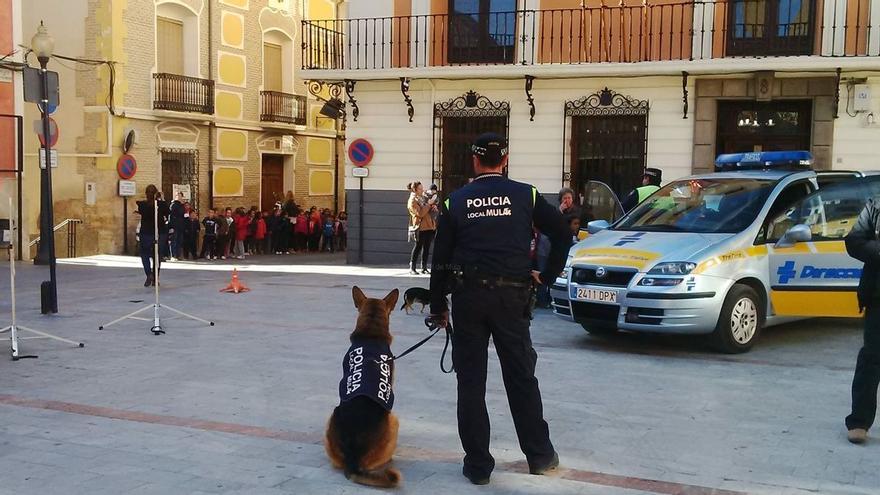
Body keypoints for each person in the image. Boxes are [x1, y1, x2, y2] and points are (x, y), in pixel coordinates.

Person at [428, 133, 570, 485]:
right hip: (512, 299)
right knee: (521, 377)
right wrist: (548, 275)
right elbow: (563, 233)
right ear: (504, 160)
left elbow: (441, 260)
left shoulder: (455, 202)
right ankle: (539, 456)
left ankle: (478, 467)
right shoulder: (527, 195)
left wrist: (437, 305)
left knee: (471, 383)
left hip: (469, 299)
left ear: (475, 162)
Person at [844, 199, 880, 444]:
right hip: (878, 294)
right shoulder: (876, 205)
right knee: (871, 358)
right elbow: (854, 241)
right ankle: (859, 422)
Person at [135, 185, 170, 287]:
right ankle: (155, 278)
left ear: (146, 194)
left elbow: (141, 210)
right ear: (156, 193)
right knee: (157, 256)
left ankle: (149, 274)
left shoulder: (142, 205)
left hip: (146, 233)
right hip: (160, 232)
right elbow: (168, 213)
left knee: (144, 254)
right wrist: (161, 199)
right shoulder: (162, 204)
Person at [407, 181, 437, 275]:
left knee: (427, 247)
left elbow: (427, 209)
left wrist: (433, 207)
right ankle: (412, 267)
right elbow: (420, 213)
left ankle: (424, 267)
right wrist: (428, 205)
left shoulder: (422, 197)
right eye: (420, 189)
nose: (422, 190)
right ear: (415, 190)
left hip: (429, 225)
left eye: (422, 188)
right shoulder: (412, 201)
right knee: (418, 246)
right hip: (420, 227)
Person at [168, 192, 186, 261]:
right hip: (174, 225)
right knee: (173, 241)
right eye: (177, 196)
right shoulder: (173, 205)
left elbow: (183, 215)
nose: (179, 197)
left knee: (179, 241)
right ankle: (173, 255)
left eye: (180, 196)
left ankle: (178, 255)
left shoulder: (182, 205)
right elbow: (170, 215)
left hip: (180, 226)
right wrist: (171, 226)